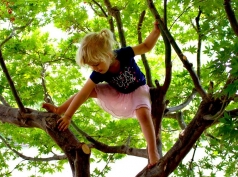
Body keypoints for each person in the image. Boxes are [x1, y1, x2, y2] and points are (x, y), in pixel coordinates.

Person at [42, 21, 161, 167]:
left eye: (97, 63)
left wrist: (156, 31)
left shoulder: (124, 54)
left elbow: (146, 46)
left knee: (143, 113)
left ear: (108, 54)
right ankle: (60, 109)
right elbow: (83, 94)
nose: (95, 68)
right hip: (117, 92)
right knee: (88, 91)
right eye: (91, 65)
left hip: (138, 89)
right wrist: (68, 116)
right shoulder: (98, 73)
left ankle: (153, 152)